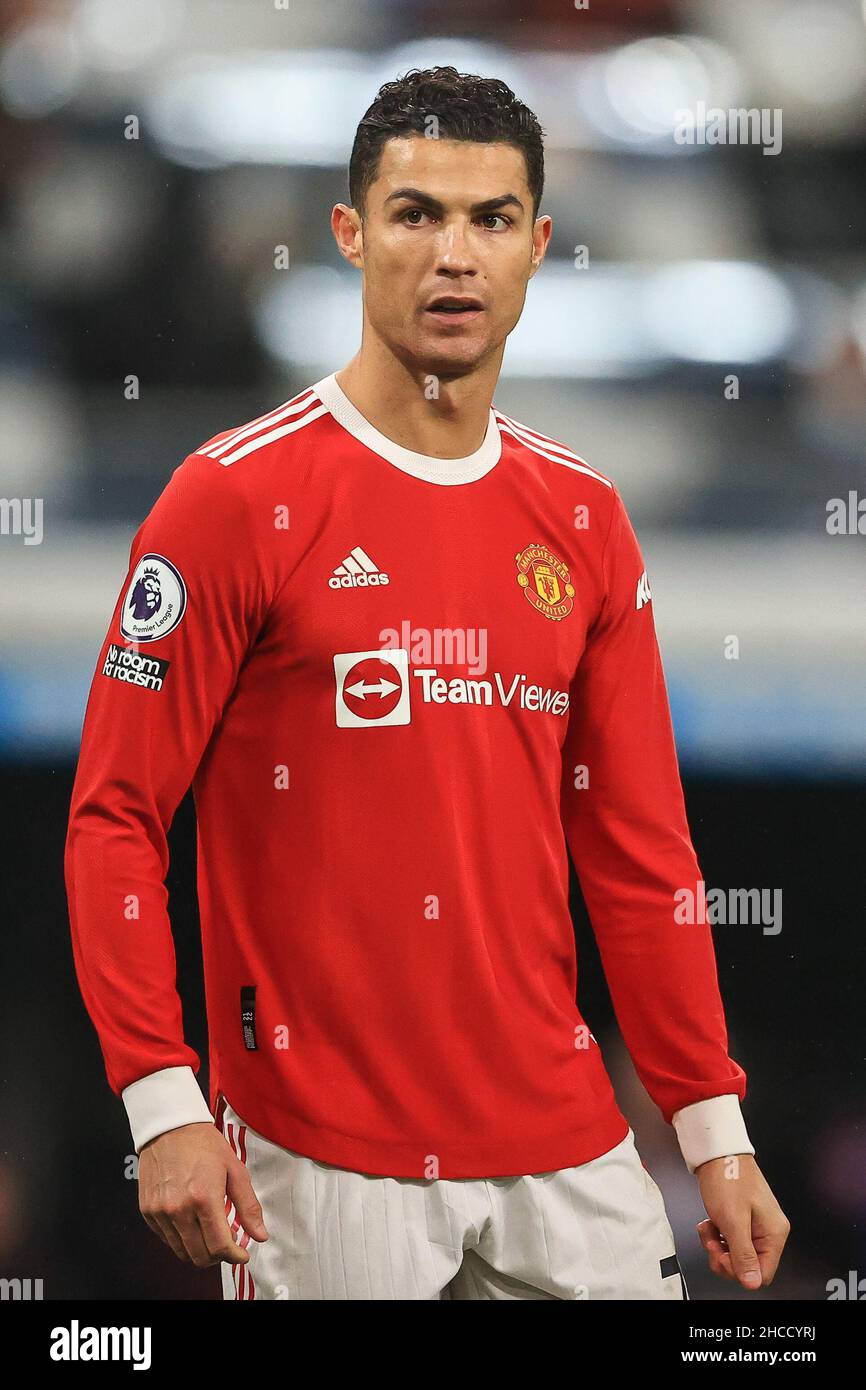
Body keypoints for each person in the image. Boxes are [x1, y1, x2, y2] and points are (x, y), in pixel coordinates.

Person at [65, 65, 790, 1300]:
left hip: (566, 1150)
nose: (454, 254)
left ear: (538, 245)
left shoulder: (583, 521)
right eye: (416, 214)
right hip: (313, 1158)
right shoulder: (232, 499)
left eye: (490, 218)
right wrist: (160, 1097)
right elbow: (115, 817)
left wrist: (710, 1129)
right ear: (350, 234)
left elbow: (641, 855)